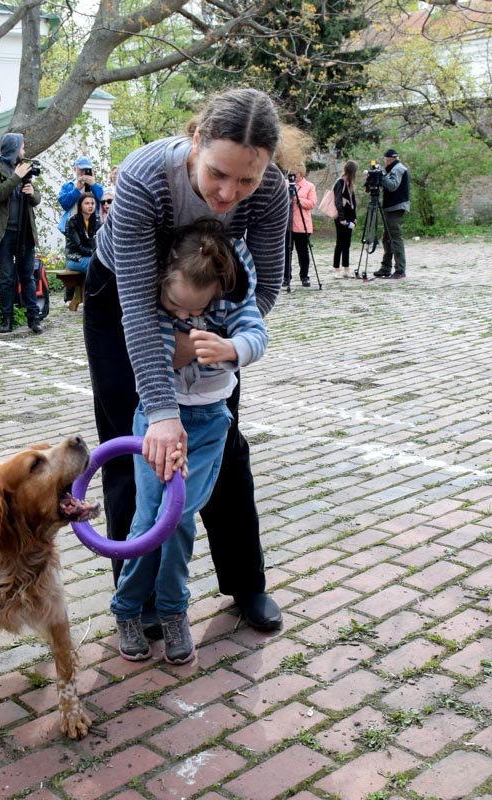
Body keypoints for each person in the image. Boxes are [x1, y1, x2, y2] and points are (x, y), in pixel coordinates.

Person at [84, 87, 289, 633]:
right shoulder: (147, 176)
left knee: (221, 442)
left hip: (214, 302)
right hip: (125, 301)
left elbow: (263, 288)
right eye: (219, 173)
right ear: (196, 141)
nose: (229, 193)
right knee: (138, 444)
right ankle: (139, 596)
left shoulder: (271, 192)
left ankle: (246, 583)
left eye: (246, 180)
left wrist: (216, 342)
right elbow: (134, 303)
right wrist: (162, 406)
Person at [112, 219, 268, 664]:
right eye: (174, 304)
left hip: (210, 423)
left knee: (178, 516)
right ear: (162, 281)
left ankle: (173, 610)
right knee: (151, 520)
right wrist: (181, 349)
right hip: (159, 419)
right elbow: (156, 359)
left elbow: (257, 334)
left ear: (217, 290)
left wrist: (231, 348)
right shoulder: (155, 308)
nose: (182, 316)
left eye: (193, 309)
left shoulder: (227, 302)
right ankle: (127, 609)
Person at [0, 132, 43, 334]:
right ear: (13, 149)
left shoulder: (23, 168)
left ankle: (34, 318)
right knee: (6, 276)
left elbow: (36, 197)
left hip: (24, 230)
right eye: (22, 147)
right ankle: (7, 319)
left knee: (27, 275)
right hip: (3, 232)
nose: (24, 151)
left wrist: (32, 193)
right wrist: (17, 177)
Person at [374, 148, 409, 279]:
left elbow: (393, 185)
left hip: (396, 207)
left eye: (385, 160)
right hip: (392, 207)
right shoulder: (394, 169)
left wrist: (382, 176)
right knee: (387, 238)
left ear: (389, 159)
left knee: (394, 238)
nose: (385, 162)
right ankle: (386, 267)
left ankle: (400, 270)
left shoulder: (398, 169)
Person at [64, 194, 99, 303]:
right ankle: (92, 297)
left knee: (103, 264)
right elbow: (78, 246)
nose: (90, 206)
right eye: (87, 203)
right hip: (75, 258)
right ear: (80, 206)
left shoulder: (97, 221)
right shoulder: (72, 222)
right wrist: (95, 253)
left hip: (92, 256)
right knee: (94, 265)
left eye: (92, 203)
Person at [57, 155, 105, 234]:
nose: (83, 171)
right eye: (81, 169)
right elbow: (64, 204)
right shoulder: (68, 186)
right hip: (72, 226)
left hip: (91, 226)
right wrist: (77, 190)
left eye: (86, 169)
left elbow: (103, 202)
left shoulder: (96, 186)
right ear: (75, 169)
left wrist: (94, 185)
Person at [287, 164, 317, 289]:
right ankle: (285, 277)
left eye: (296, 174)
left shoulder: (309, 186)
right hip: (287, 224)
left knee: (302, 252)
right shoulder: (285, 184)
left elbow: (312, 203)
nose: (293, 176)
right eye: (291, 174)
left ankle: (304, 276)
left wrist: (299, 200)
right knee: (286, 252)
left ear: (301, 174)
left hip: (302, 225)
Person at [332, 161, 358, 279]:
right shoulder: (340, 182)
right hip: (341, 217)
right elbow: (338, 201)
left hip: (349, 217)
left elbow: (353, 202)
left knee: (347, 243)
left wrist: (354, 217)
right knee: (340, 243)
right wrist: (341, 218)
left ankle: (346, 268)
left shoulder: (349, 183)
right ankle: (336, 269)